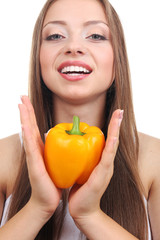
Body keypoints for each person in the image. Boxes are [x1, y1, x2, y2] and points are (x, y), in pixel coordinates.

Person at [0, 0, 159, 239]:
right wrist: (38, 207)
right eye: (55, 36)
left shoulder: (153, 159)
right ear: (38, 58)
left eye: (95, 35)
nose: (74, 47)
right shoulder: (4, 157)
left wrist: (90, 215)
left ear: (118, 59)